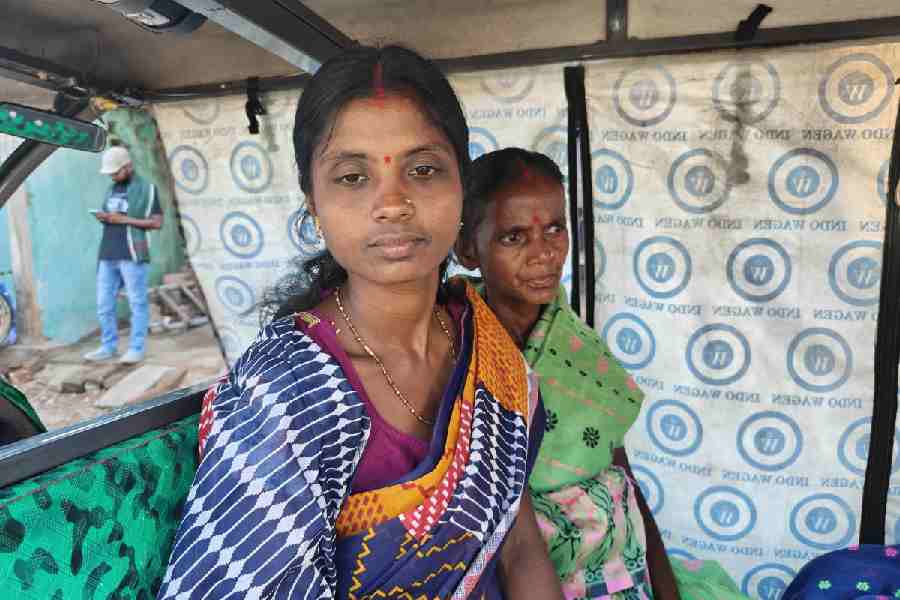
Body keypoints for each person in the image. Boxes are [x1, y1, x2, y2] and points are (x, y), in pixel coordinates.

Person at [158, 46, 563, 600]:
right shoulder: (288, 389)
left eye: (423, 169)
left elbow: (518, 546)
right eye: (352, 177)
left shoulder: (483, 343)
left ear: (461, 190)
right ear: (313, 204)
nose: (392, 203)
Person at [456, 147, 749, 600]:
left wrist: (663, 585)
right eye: (514, 237)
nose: (544, 254)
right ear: (468, 249)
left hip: (620, 569)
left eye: (554, 229)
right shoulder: (455, 350)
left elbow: (620, 469)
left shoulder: (577, 346)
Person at [83, 145, 162, 365]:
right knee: (103, 304)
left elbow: (157, 222)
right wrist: (104, 217)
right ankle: (108, 347)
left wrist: (123, 219)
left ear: (128, 166)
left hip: (132, 255)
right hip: (107, 254)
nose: (113, 176)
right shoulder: (111, 189)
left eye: (116, 172)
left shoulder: (147, 189)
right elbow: (112, 216)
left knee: (137, 303)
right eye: (110, 173)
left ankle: (136, 348)